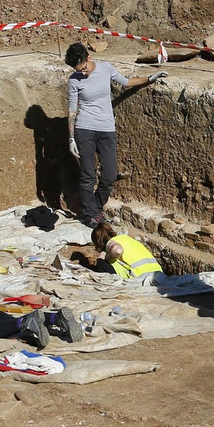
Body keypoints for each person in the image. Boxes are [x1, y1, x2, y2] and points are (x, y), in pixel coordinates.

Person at [64, 42, 167, 227]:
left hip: (106, 129)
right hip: (85, 129)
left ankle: (94, 208)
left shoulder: (105, 69)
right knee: (88, 176)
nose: (83, 73)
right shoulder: (74, 80)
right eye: (79, 71)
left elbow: (126, 82)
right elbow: (72, 111)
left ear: (89, 58)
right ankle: (92, 215)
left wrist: (150, 78)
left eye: (84, 68)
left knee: (109, 174)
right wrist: (71, 137)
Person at [90, 222, 164, 281]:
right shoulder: (125, 238)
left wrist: (105, 257)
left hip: (140, 276)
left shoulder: (111, 243)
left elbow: (118, 250)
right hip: (159, 274)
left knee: (101, 263)